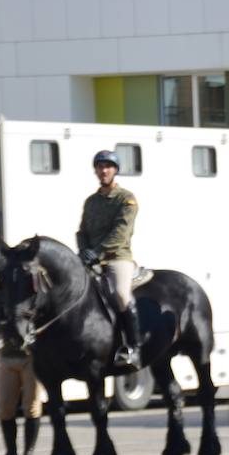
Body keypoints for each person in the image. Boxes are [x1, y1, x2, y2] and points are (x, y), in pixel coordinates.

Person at [77, 149, 141, 371]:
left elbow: (120, 233)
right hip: (91, 259)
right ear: (95, 170)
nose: (104, 170)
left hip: (117, 258)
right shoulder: (91, 201)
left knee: (121, 295)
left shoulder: (126, 199)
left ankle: (134, 347)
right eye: (100, 166)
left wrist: (97, 251)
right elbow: (82, 230)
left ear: (115, 170)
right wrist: (84, 250)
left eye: (108, 166)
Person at [0, 335, 42, 455]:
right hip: (8, 358)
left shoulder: (32, 310)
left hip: (31, 357)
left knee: (31, 407)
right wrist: (7, 326)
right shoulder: (5, 311)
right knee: (4, 409)